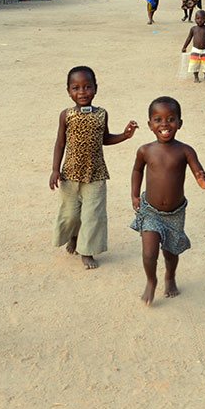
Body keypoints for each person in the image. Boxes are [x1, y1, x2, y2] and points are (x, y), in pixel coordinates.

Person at [50, 66, 138, 269]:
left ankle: (87, 251)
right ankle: (73, 235)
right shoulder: (66, 115)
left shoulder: (101, 114)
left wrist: (125, 135)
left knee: (93, 214)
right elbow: (60, 143)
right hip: (70, 174)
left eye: (87, 87)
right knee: (70, 213)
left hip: (96, 173)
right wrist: (55, 169)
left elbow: (105, 139)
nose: (82, 92)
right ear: (68, 91)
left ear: (96, 89)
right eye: (76, 88)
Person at [130, 97, 205, 306]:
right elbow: (137, 170)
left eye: (171, 119)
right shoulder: (145, 150)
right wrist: (135, 195)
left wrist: (202, 177)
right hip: (150, 210)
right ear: (149, 125)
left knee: (171, 252)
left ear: (180, 123)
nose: (164, 124)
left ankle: (170, 276)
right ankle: (151, 280)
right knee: (149, 252)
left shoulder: (185, 150)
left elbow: (197, 169)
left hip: (175, 213)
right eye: (158, 119)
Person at [181, 10, 205, 83]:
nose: (200, 20)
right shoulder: (193, 29)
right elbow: (189, 38)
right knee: (195, 64)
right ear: (195, 19)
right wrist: (184, 47)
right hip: (195, 50)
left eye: (202, 19)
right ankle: (196, 77)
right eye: (197, 18)